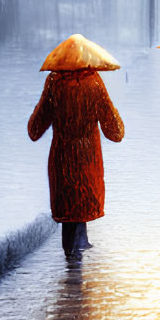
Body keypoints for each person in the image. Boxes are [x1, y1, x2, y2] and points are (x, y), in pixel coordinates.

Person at [27, 35, 125, 259]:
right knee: (81, 203)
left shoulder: (54, 83)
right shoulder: (95, 83)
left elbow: (35, 130)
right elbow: (116, 132)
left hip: (62, 159)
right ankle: (78, 256)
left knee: (69, 208)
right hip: (88, 158)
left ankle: (71, 262)